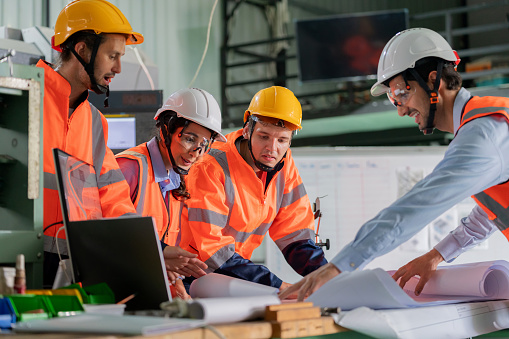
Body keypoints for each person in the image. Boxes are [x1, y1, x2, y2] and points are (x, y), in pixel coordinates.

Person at [280, 27, 509, 301]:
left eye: (401, 93)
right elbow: (490, 213)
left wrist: (340, 267)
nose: (400, 110)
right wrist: (436, 255)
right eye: (393, 99)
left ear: (433, 80)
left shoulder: (483, 134)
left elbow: (418, 204)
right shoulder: (489, 123)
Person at [178, 86, 328, 292]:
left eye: (282, 140)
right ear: (248, 129)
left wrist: (326, 276)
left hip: (234, 274)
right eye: (264, 136)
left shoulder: (283, 163)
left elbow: (295, 234)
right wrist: (278, 286)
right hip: (188, 277)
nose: (272, 149)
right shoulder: (209, 165)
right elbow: (213, 250)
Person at [39, 0, 143, 287]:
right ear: (82, 49)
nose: (119, 68)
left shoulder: (95, 121)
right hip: (20, 258)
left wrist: (146, 250)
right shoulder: (23, 98)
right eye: (112, 56)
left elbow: (112, 196)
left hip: (74, 263)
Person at [116, 88, 226, 298]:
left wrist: (177, 292)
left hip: (145, 291)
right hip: (114, 295)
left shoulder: (176, 182)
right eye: (189, 139)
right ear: (166, 128)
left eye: (204, 145)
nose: (196, 152)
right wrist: (159, 253)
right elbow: (106, 240)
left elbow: (162, 261)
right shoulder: (129, 168)